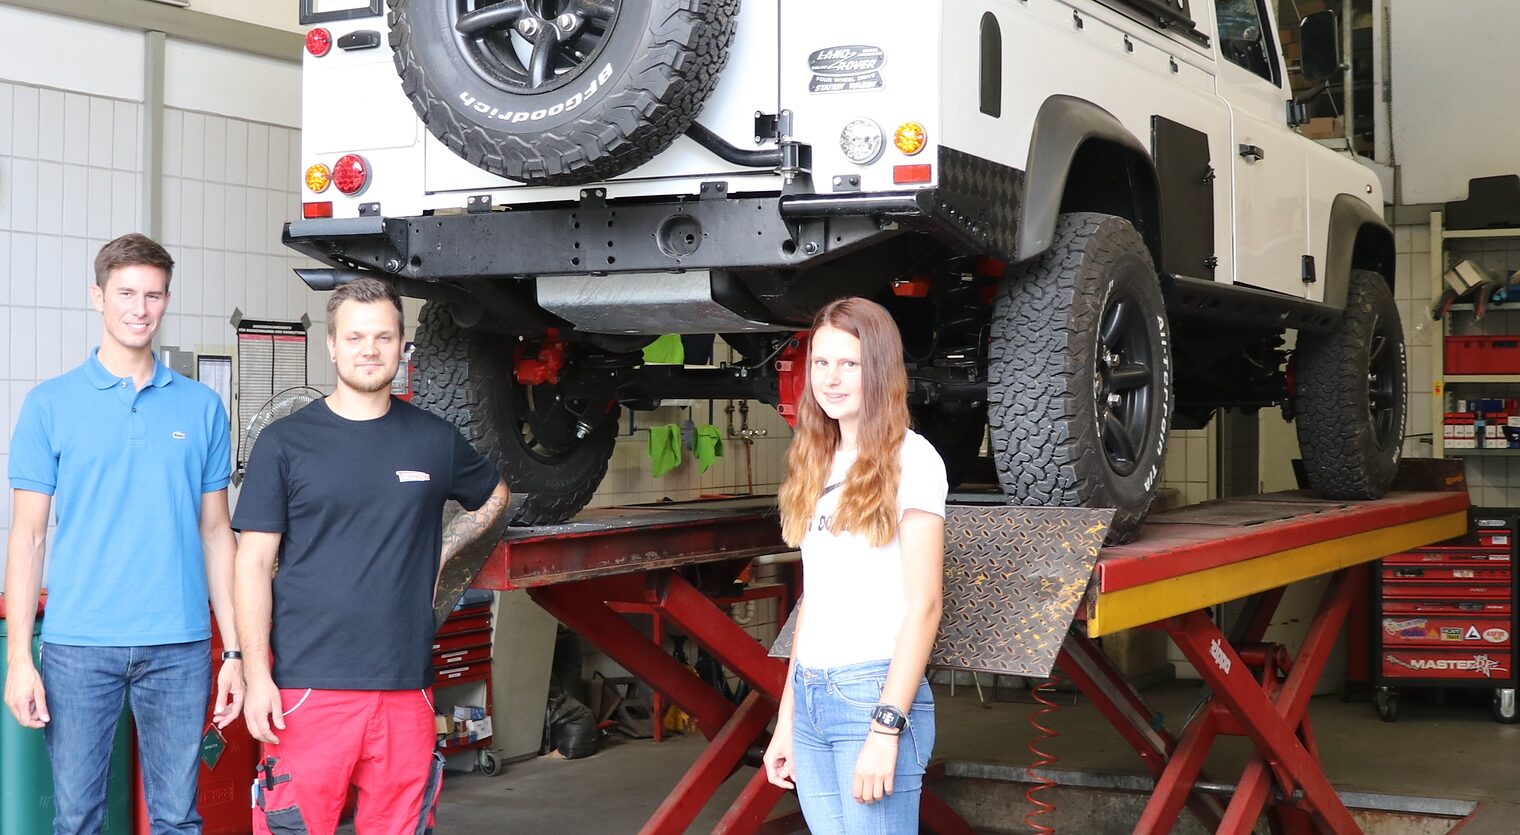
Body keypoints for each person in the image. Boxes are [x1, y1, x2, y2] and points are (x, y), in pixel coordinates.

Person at [233, 277, 510, 835]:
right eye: (355, 337)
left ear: (402, 344)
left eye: (383, 337)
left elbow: (495, 497)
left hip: (405, 686)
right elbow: (252, 565)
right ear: (332, 345)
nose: (369, 349)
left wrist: (444, 560)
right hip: (308, 689)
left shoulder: (433, 439)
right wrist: (256, 674)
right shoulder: (285, 444)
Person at [4, 233, 243, 835]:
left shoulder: (201, 407)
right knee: (78, 818)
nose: (140, 309)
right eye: (126, 293)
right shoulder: (49, 405)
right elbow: (28, 538)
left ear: (166, 302)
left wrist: (234, 653)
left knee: (178, 819)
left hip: (181, 647)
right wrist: (18, 660)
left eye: (154, 295)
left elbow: (218, 535)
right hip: (78, 646)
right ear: (98, 297)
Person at [763, 297, 948, 833]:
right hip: (812, 697)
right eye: (821, 362)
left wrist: (887, 726)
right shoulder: (814, 461)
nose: (831, 378)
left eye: (850, 364)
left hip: (872, 694)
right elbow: (815, 602)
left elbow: (925, 605)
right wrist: (786, 721)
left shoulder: (912, 459)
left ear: (880, 369)